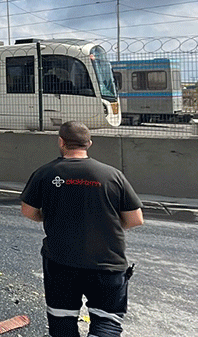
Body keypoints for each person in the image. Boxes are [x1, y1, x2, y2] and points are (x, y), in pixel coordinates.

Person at [21, 121, 144, 337]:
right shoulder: (112, 175)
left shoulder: (45, 173)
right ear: (89, 143)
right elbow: (135, 219)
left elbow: (28, 211)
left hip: (61, 262)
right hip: (108, 264)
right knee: (106, 323)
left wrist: (50, 217)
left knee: (62, 325)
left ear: (61, 142)